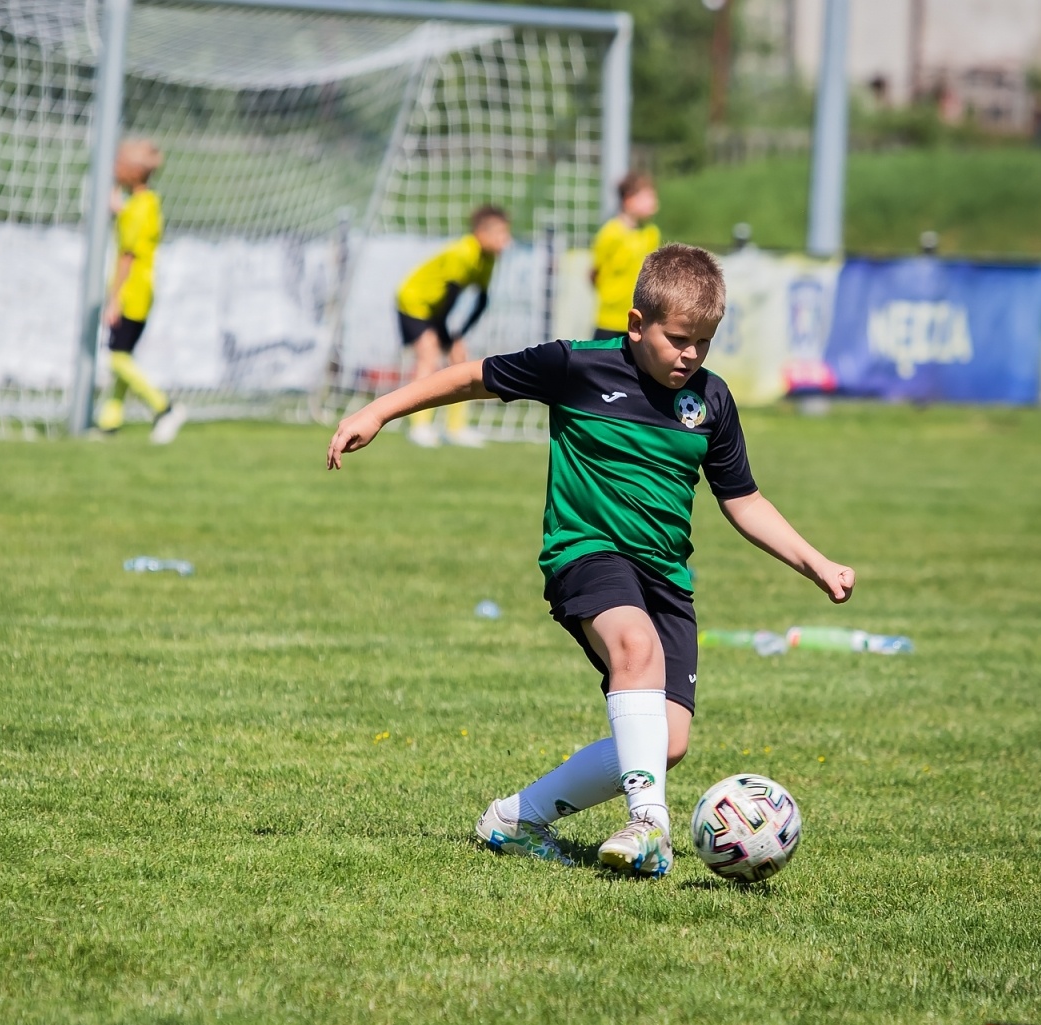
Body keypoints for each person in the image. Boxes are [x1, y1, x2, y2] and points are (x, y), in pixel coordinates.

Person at [329, 244, 854, 877]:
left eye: (705, 343)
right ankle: (649, 825)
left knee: (669, 742)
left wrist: (817, 564)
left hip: (666, 576)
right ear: (637, 325)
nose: (691, 355)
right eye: (679, 339)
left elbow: (743, 500)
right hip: (586, 553)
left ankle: (513, 819)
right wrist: (379, 410)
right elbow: (472, 377)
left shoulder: (710, 402)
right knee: (635, 647)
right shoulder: (576, 366)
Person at [394, 205, 511, 448]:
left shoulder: (487, 258)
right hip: (415, 301)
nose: (506, 241)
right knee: (429, 354)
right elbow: (448, 299)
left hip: (437, 309)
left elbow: (481, 301)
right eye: (500, 234)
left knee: (460, 358)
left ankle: (456, 429)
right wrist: (448, 335)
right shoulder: (463, 253)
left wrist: (460, 336)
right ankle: (420, 426)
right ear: (482, 233)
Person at [99, 138, 186, 444]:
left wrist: (114, 298)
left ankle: (164, 407)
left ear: (132, 171)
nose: (113, 168)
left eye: (118, 163)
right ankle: (109, 423)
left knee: (116, 359)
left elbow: (128, 254)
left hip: (131, 292)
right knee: (123, 355)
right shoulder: (147, 203)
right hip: (144, 290)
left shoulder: (137, 210)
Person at [589, 173, 660, 341]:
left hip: (640, 321)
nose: (655, 204)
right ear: (629, 199)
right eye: (648, 197)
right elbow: (594, 273)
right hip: (609, 322)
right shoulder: (610, 234)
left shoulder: (652, 233)